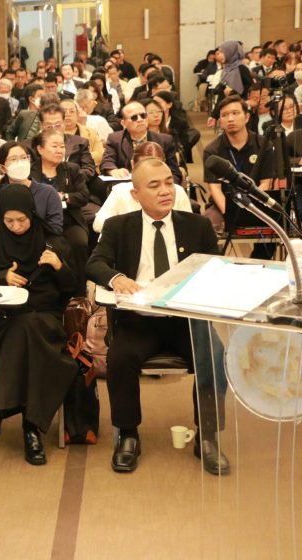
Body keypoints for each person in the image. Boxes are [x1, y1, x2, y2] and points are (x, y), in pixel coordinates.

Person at [86, 158, 228, 475]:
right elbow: (94, 263)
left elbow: (216, 269)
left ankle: (207, 436)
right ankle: (128, 434)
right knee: (119, 358)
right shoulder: (118, 227)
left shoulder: (198, 226)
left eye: (168, 182)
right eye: (154, 185)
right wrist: (116, 278)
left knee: (215, 356)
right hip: (139, 319)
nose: (165, 190)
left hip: (186, 319)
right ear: (136, 194)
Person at [0, 186, 77, 465]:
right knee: (20, 331)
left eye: (21, 220)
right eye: (8, 221)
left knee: (27, 326)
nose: (15, 226)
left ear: (32, 213)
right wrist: (3, 277)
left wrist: (59, 266)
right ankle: (31, 429)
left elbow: (72, 288)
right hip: (4, 317)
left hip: (45, 317)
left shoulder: (52, 242)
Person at [203, 95, 276, 239]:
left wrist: (251, 209)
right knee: (207, 224)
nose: (230, 119)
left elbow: (266, 183)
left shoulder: (264, 145)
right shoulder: (212, 150)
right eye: (224, 115)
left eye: (235, 113)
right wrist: (230, 214)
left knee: (276, 227)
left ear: (247, 117)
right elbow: (215, 189)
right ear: (220, 121)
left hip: (258, 202)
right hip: (223, 204)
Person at [29, 129, 89, 292]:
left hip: (68, 219)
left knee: (79, 243)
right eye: (54, 146)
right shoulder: (30, 171)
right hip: (40, 222)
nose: (59, 150)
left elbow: (84, 195)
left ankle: (80, 290)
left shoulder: (72, 169)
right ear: (40, 149)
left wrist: (63, 197)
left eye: (62, 146)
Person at [93, 142, 193, 233]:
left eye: (156, 165)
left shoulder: (177, 191)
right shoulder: (120, 191)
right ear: (133, 165)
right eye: (144, 166)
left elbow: (189, 227)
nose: (150, 171)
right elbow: (98, 224)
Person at [0, 141, 63, 236]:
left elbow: (55, 228)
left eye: (24, 158)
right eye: (13, 159)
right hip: (3, 242)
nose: (20, 163)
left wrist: (25, 233)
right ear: (2, 168)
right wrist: (2, 231)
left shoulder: (47, 192)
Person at [101, 101, 183, 184]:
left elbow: (175, 173)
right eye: (134, 117)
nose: (140, 120)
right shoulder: (115, 139)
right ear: (124, 123)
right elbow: (107, 162)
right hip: (127, 185)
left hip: (157, 186)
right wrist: (113, 170)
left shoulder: (165, 140)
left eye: (143, 115)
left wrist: (165, 185)